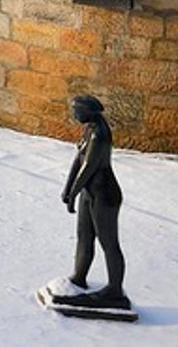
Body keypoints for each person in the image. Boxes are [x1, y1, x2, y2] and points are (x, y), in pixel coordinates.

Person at [57, 94, 130, 311]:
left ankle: (114, 290)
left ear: (87, 111)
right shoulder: (89, 129)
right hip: (90, 191)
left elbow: (88, 166)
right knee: (84, 236)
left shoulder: (100, 134)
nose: (74, 114)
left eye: (76, 110)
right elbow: (78, 159)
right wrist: (68, 190)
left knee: (108, 242)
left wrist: (73, 194)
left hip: (105, 195)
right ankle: (79, 277)